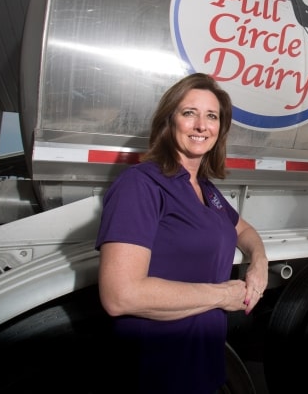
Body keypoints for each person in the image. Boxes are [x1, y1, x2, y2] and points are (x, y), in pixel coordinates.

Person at [95, 73, 269, 393]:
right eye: (190, 113)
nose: (202, 125)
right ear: (169, 120)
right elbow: (120, 296)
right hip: (156, 375)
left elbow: (245, 231)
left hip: (205, 370)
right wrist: (222, 294)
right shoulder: (140, 184)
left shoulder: (205, 190)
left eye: (212, 116)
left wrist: (259, 262)